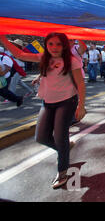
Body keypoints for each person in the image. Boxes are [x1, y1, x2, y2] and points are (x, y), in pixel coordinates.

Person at [0, 33, 86, 189]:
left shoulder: (72, 61)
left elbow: (80, 84)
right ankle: (64, 150)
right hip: (47, 102)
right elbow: (19, 54)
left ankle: (62, 171)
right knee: (41, 137)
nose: (54, 48)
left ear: (64, 46)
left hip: (67, 102)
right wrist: (3, 39)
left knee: (60, 137)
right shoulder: (43, 58)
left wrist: (81, 106)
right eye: (51, 44)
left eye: (58, 44)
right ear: (46, 45)